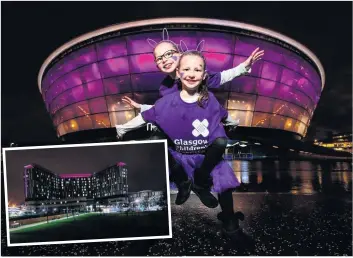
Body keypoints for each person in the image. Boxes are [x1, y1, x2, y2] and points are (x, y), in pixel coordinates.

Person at [116, 50, 245, 235]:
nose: (192, 74)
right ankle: (180, 186)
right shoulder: (166, 102)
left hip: (205, 159)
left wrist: (233, 123)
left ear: (204, 75)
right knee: (155, 150)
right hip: (180, 157)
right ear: (178, 73)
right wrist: (123, 128)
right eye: (186, 69)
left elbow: (225, 115)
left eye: (197, 70)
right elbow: (144, 118)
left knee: (223, 171)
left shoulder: (211, 101)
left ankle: (228, 216)